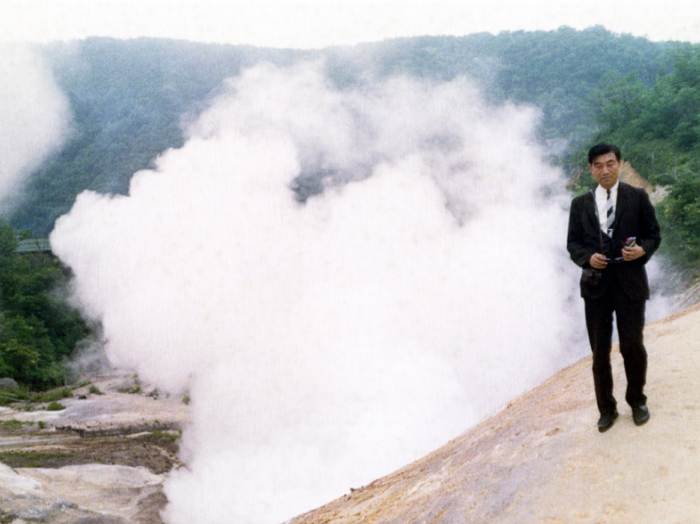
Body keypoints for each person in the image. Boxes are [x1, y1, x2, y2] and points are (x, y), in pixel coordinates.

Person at [567, 143, 661, 432]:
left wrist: (642, 250)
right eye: (598, 165)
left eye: (610, 163)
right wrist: (587, 258)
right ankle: (606, 409)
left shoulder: (637, 197)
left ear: (619, 164)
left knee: (632, 345)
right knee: (599, 352)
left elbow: (653, 235)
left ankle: (637, 401)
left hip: (630, 282)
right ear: (591, 169)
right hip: (595, 285)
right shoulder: (580, 204)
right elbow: (573, 244)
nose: (605, 170)